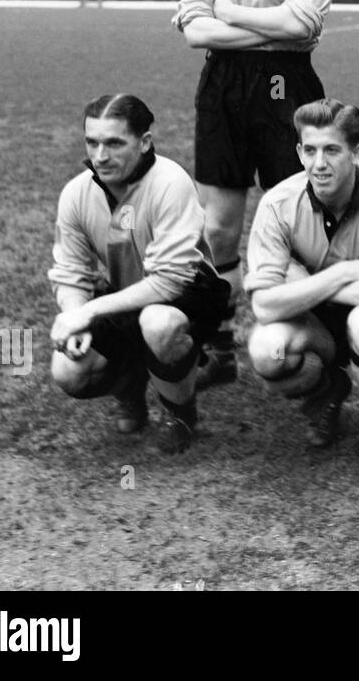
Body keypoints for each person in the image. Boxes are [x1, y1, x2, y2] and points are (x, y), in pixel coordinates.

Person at [173, 0, 337, 388]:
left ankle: (311, 336)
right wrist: (266, 26)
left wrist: (228, 12)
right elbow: (196, 32)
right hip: (223, 85)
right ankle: (219, 346)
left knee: (298, 218)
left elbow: (303, 27)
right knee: (218, 226)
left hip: (287, 87)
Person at [48, 95, 231, 455]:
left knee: (158, 325)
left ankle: (181, 413)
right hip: (125, 294)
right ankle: (130, 389)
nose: (100, 155)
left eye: (114, 143)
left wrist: (89, 312)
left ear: (144, 142)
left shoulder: (170, 182)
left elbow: (170, 280)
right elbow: (70, 273)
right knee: (68, 371)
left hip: (191, 293)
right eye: (93, 142)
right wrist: (74, 314)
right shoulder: (76, 193)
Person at [243, 100, 359, 466]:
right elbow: (263, 306)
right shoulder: (277, 203)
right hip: (314, 324)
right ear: (298, 151)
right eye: (310, 150)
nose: (319, 164)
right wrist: (345, 272)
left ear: (356, 153)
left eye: (332, 150)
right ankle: (328, 393)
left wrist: (301, 284)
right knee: (268, 352)